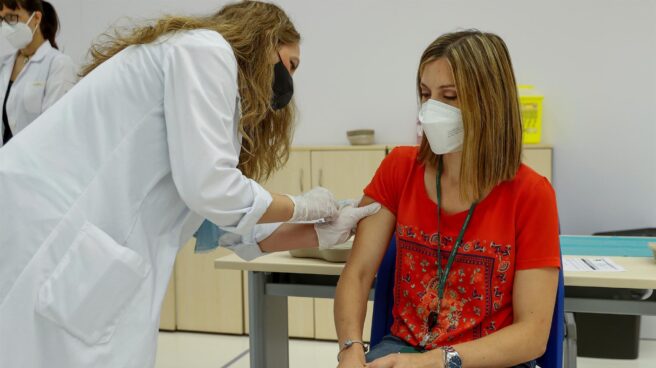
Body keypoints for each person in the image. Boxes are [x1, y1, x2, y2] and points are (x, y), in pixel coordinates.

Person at [0, 2, 379, 367]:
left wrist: (319, 233)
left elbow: (225, 226)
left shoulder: (198, 74)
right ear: (265, 39)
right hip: (44, 231)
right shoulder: (206, 50)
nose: (287, 84)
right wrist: (303, 206)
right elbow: (213, 191)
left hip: (79, 246)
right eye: (289, 65)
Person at [334, 30, 560, 368]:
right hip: (404, 350)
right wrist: (350, 348)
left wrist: (436, 362)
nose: (431, 109)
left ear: (490, 103)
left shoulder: (531, 194)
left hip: (488, 360)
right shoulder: (399, 169)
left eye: (450, 96)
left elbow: (532, 335)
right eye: (426, 94)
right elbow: (358, 272)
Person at [0, 0, 77, 147]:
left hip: (34, 165)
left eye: (12, 17)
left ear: (36, 18)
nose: (5, 26)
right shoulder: (3, 65)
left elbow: (55, 128)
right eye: (2, 19)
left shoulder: (58, 64)